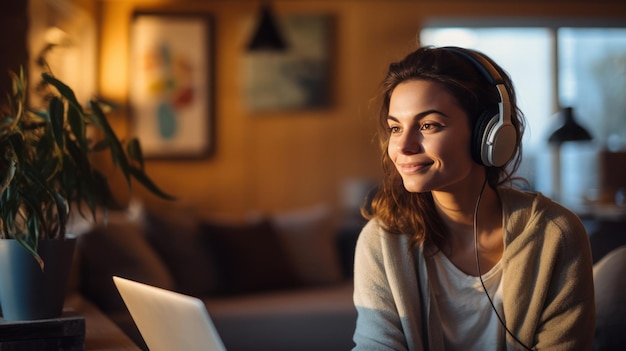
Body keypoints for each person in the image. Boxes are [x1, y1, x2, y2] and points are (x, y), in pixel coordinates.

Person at [352, 46, 595, 351]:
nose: (403, 146)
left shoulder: (554, 234)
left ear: (490, 133)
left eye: (428, 125)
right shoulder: (382, 241)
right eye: (395, 127)